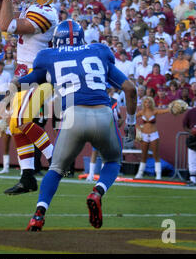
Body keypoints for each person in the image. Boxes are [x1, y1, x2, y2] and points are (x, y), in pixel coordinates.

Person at [13, 20, 137, 230]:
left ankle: (38, 215)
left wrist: (9, 90)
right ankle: (97, 191)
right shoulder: (99, 50)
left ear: (57, 40)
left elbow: (27, 81)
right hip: (103, 114)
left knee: (56, 169)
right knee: (113, 161)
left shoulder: (48, 56)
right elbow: (130, 89)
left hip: (72, 116)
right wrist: (131, 124)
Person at [0, 0, 59, 195]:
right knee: (15, 126)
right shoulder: (34, 9)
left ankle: (56, 158)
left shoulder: (47, 13)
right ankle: (27, 177)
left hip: (40, 73)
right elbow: (4, 24)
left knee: (22, 120)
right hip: (25, 71)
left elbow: (8, 26)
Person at [134, 96, 171, 180]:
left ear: (152, 103)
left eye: (149, 102)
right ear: (144, 103)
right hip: (144, 135)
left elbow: (164, 111)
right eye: (146, 102)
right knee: (143, 155)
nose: (147, 104)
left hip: (154, 134)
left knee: (156, 155)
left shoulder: (155, 111)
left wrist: (171, 108)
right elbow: (132, 118)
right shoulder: (141, 112)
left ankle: (158, 174)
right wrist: (138, 127)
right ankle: (140, 173)